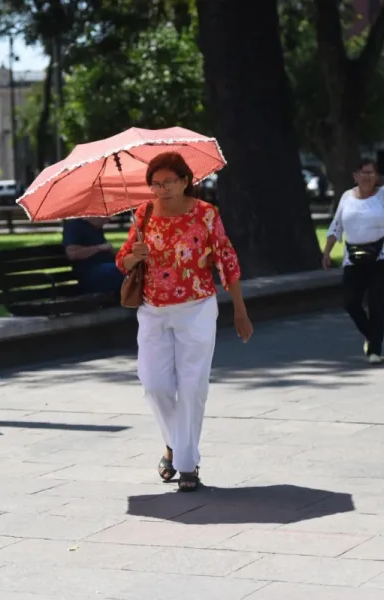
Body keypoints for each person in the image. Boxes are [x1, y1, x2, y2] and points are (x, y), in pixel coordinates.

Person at [116, 152, 252, 492]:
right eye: (155, 184)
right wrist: (136, 255)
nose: (160, 189)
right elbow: (123, 259)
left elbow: (226, 259)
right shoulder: (144, 213)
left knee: (192, 388)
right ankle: (175, 444)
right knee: (155, 384)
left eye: (168, 182)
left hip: (197, 309)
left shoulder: (206, 215)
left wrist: (239, 309)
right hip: (152, 311)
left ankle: (187, 466)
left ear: (185, 181)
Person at [322, 159, 384, 364]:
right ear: (355, 176)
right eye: (363, 173)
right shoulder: (346, 198)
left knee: (376, 303)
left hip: (381, 256)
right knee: (350, 302)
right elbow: (336, 227)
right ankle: (371, 334)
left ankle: (375, 351)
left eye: (371, 173)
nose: (367, 177)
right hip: (353, 256)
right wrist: (327, 251)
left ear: (377, 177)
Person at [63, 217, 125, 294]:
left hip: (106, 269)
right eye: (105, 218)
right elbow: (72, 253)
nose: (107, 221)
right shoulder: (74, 226)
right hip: (89, 274)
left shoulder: (97, 228)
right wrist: (99, 248)